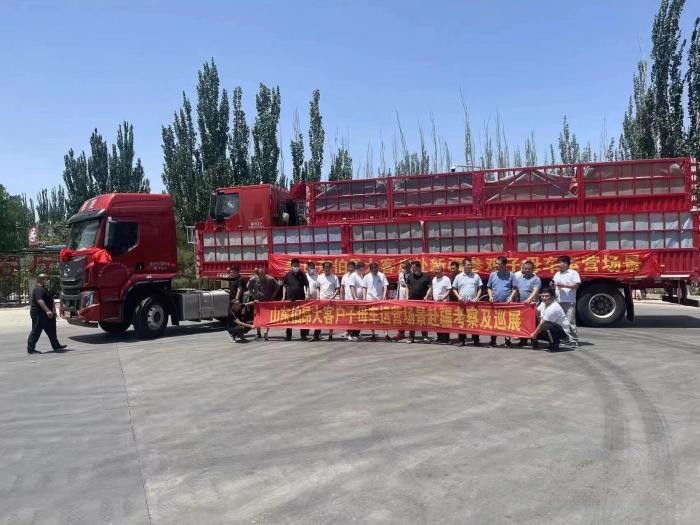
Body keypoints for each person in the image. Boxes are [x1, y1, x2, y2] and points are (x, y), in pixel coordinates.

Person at [27, 274, 66, 354]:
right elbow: (40, 300)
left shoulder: (44, 289)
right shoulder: (38, 289)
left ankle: (56, 346)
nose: (48, 281)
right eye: (46, 279)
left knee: (52, 330)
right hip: (39, 314)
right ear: (41, 280)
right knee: (36, 331)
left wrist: (53, 311)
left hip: (47, 314)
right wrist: (47, 310)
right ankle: (31, 349)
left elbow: (50, 300)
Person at [451, 257, 483, 347]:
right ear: (463, 266)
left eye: (471, 265)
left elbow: (480, 288)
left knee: (474, 321)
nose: (470, 266)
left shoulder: (476, 276)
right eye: (468, 265)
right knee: (462, 321)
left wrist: (477, 297)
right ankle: (462, 340)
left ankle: (476, 340)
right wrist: (459, 297)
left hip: (473, 304)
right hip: (462, 303)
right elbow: (454, 288)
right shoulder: (459, 276)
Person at [487, 256, 517, 348]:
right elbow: (489, 287)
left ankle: (507, 341)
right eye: (496, 263)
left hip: (507, 303)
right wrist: (490, 296)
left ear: (504, 265)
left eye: (498, 264)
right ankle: (493, 340)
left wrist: (511, 297)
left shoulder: (511, 275)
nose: (496, 265)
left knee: (507, 321)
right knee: (494, 321)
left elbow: (515, 288)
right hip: (495, 303)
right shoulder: (492, 275)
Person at [530, 286, 570, 352]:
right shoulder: (543, 303)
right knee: (533, 320)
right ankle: (535, 341)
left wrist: (534, 334)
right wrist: (534, 306)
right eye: (542, 296)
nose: (544, 298)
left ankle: (555, 343)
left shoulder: (553, 307)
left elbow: (542, 323)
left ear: (552, 297)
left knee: (545, 325)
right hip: (551, 327)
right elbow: (537, 312)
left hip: (562, 332)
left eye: (546, 296)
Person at [552, 255, 581, 348]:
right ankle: (565, 339)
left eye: (560, 262)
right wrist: (552, 286)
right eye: (558, 262)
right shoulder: (557, 274)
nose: (558, 264)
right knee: (560, 322)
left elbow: (576, 286)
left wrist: (564, 285)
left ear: (566, 264)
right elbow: (554, 284)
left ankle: (574, 341)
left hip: (569, 301)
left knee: (570, 321)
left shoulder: (573, 273)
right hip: (558, 301)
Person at [514, 260, 542, 347]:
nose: (526, 270)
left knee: (533, 323)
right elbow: (516, 290)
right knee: (522, 323)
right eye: (525, 268)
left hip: (531, 305)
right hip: (521, 305)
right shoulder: (519, 278)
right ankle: (523, 340)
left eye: (529, 269)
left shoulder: (536, 279)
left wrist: (529, 299)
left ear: (533, 269)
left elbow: (535, 291)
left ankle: (534, 340)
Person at [282, 258, 309, 341]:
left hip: (300, 299)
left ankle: (303, 335)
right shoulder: (288, 275)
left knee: (301, 316)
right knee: (289, 317)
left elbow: (307, 285)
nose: (296, 267)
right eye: (294, 265)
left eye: (297, 265)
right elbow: (284, 285)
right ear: (291, 266)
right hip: (290, 299)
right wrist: (283, 296)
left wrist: (307, 295)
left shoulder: (302, 274)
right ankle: (288, 335)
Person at [362, 262, 391, 342]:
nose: (375, 271)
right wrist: (364, 298)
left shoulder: (382, 275)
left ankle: (386, 334)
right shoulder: (367, 277)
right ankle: (373, 334)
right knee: (372, 317)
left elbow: (385, 286)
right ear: (371, 270)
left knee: (383, 317)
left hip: (380, 299)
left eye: (376, 269)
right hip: (370, 299)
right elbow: (364, 287)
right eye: (374, 269)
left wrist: (384, 295)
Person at [312, 262, 340, 341]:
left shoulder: (334, 277)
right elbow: (317, 287)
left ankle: (330, 335)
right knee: (319, 317)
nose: (327, 269)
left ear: (331, 268)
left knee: (331, 317)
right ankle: (316, 335)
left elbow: (337, 288)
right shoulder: (320, 277)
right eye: (325, 267)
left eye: (328, 267)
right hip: (322, 300)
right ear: (323, 268)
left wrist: (333, 297)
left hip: (331, 300)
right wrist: (318, 296)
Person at [406, 261, 432, 343]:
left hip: (422, 301)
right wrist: (407, 295)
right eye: (412, 267)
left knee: (422, 319)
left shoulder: (426, 276)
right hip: (412, 300)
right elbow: (407, 286)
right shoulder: (410, 276)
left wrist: (426, 296)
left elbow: (430, 287)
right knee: (412, 319)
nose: (412, 269)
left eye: (414, 267)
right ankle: (411, 337)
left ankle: (425, 336)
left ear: (419, 267)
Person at [431, 266, 452, 344]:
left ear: (442, 270)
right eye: (436, 269)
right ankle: (439, 337)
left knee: (445, 321)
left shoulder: (446, 279)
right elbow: (433, 289)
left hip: (444, 303)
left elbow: (449, 290)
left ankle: (446, 339)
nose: (437, 271)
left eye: (438, 269)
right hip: (436, 303)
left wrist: (443, 298)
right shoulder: (434, 279)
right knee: (437, 321)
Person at [257, 267, 279, 341]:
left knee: (267, 318)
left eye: (263, 273)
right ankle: (258, 332)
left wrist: (273, 295)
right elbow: (249, 287)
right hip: (258, 301)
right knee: (258, 317)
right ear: (258, 275)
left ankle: (266, 333)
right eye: (261, 274)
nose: (263, 275)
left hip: (268, 301)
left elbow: (277, 286)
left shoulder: (270, 279)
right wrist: (253, 294)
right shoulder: (254, 279)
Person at [347, 262, 367, 341]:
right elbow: (352, 287)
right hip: (354, 300)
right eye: (363, 269)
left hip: (361, 300)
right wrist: (355, 298)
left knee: (360, 317)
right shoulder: (353, 275)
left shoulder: (361, 275)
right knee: (354, 317)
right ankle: (350, 334)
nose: (364, 270)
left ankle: (357, 333)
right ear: (359, 268)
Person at [395, 260, 411, 341]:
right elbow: (398, 285)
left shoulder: (411, 274)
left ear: (409, 267)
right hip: (401, 295)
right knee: (401, 314)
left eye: (405, 267)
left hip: (408, 295)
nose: (403, 269)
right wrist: (396, 296)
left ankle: (412, 333)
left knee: (409, 314)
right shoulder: (400, 274)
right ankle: (401, 332)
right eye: (402, 267)